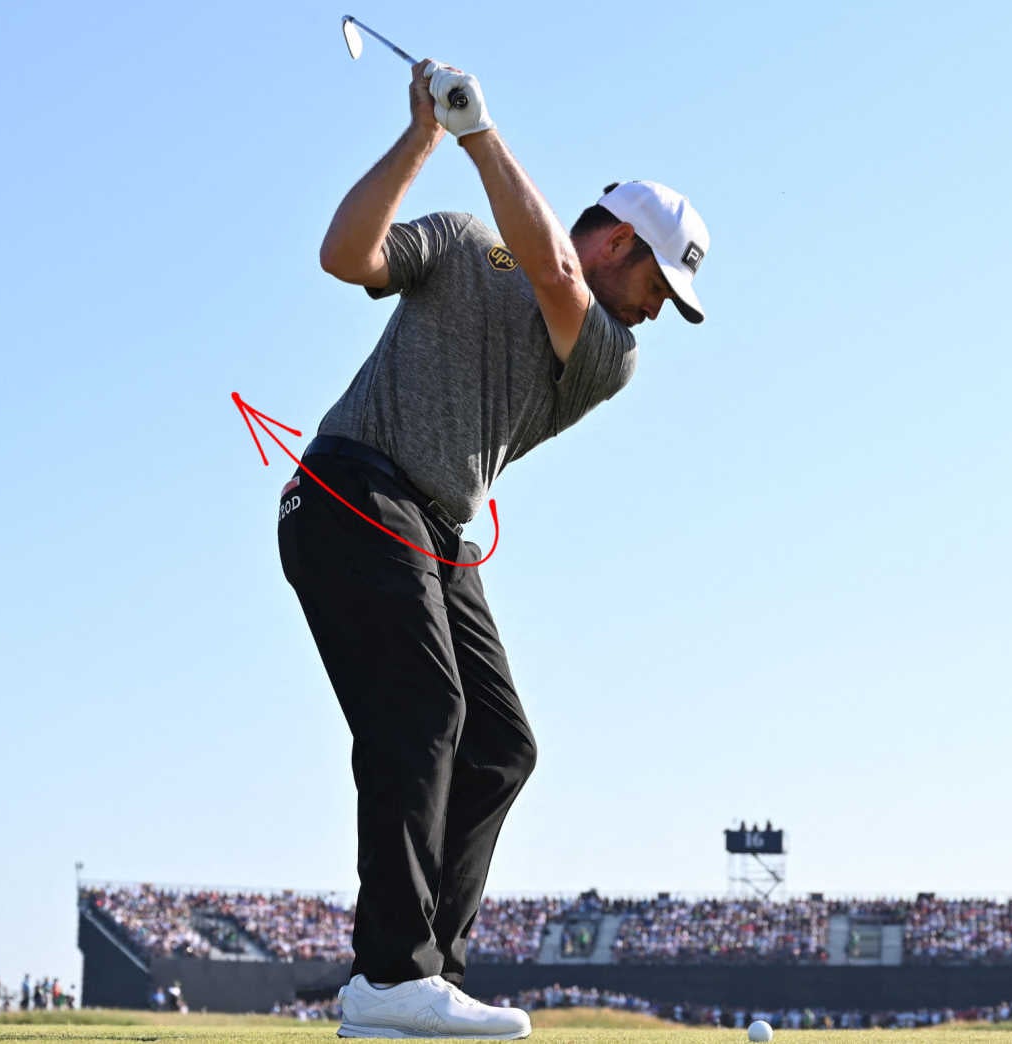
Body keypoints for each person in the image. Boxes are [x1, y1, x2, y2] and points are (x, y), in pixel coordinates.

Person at [279, 57, 708, 1041]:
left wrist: (478, 135)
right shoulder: (466, 242)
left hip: (431, 528)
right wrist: (424, 136)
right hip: (351, 490)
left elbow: (553, 273)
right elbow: (344, 256)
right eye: (659, 283)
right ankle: (392, 975)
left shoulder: (609, 352)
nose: (657, 309)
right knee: (424, 709)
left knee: (501, 745)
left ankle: (420, 979)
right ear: (620, 240)